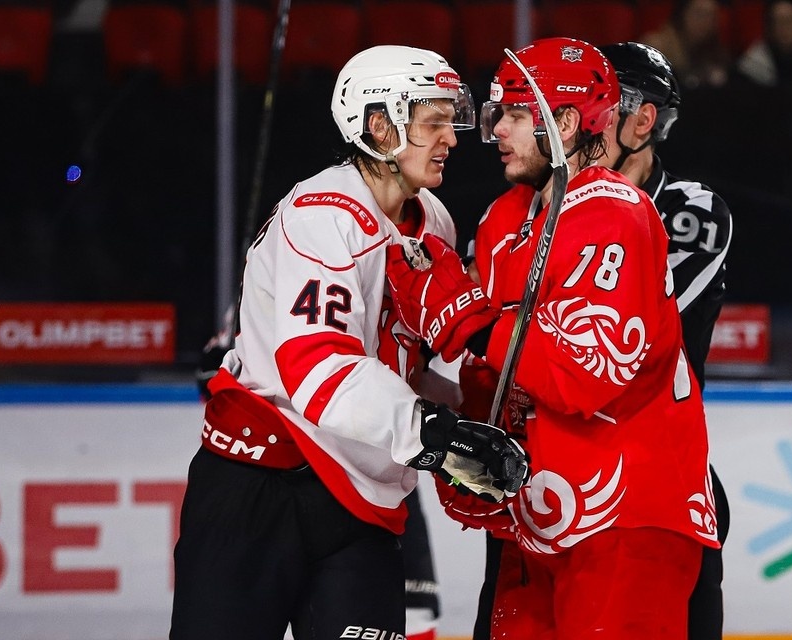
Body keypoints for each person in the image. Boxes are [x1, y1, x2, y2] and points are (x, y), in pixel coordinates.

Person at [169, 44, 528, 640]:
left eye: (451, 118)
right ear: (379, 124)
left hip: (361, 498)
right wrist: (438, 434)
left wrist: (479, 406)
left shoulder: (432, 220)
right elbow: (320, 369)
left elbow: (399, 366)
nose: (452, 137)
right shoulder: (322, 216)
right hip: (260, 486)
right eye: (432, 121)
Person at [386, 37, 720, 639]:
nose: (497, 133)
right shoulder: (504, 218)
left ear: (565, 123)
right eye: (499, 115)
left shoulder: (614, 210)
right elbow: (498, 372)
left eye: (516, 115)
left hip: (626, 518)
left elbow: (584, 372)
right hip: (540, 514)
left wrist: (466, 318)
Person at [599, 41, 733, 640]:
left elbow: (621, 327)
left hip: (668, 480)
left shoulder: (690, 209)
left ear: (643, 119)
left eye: (598, 105)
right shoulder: (526, 210)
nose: (575, 121)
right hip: (553, 473)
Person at [640, 0, 731, 88]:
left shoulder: (713, 54)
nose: (706, 21)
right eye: (699, 13)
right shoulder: (656, 47)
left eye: (712, 16)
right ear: (682, 14)